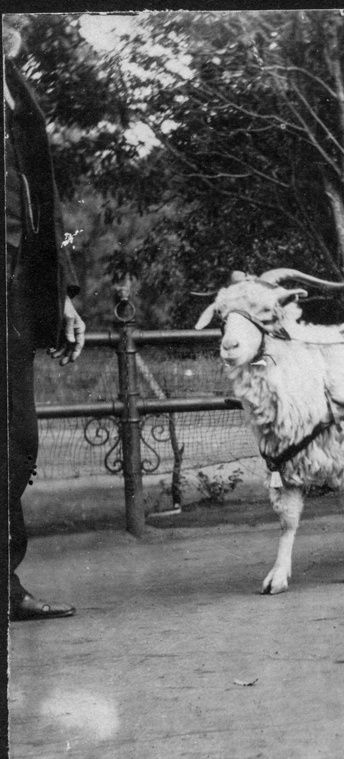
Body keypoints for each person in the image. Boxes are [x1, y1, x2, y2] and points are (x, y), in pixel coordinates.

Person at [4, 20, 86, 619]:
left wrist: (62, 295)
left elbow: (42, 202)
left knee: (18, 439)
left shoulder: (14, 90)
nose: (16, 25)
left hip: (13, 287)